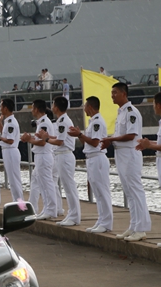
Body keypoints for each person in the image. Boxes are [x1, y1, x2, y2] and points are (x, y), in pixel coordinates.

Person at [101, 82, 150, 241]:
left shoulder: (131, 112)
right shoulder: (121, 112)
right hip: (121, 154)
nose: (112, 95)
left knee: (135, 190)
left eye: (115, 92)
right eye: (112, 92)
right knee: (128, 191)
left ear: (124, 93)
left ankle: (141, 228)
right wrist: (112, 140)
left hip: (130, 153)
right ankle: (134, 225)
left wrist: (110, 138)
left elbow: (131, 135)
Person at [68, 96, 112, 234]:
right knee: (97, 192)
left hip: (98, 158)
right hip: (91, 158)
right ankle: (101, 220)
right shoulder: (92, 122)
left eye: (85, 106)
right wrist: (80, 135)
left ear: (90, 107)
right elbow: (87, 143)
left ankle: (106, 222)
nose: (84, 108)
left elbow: (94, 142)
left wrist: (79, 133)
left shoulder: (97, 122)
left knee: (102, 191)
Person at [39, 97, 81, 226]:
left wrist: (46, 140)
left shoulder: (63, 121)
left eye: (53, 104)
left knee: (69, 187)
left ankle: (75, 216)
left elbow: (60, 142)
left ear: (56, 107)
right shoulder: (61, 120)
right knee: (67, 187)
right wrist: (47, 136)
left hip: (65, 155)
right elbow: (58, 137)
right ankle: (72, 214)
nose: (51, 106)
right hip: (61, 156)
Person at [136, 92, 161, 247]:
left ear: (159, 105)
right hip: (160, 160)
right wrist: (149, 143)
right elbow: (160, 142)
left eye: (154, 104)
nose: (153, 107)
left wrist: (150, 145)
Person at [22, 100, 57, 220]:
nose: (32, 110)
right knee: (42, 184)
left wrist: (29, 140)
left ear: (36, 109)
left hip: (44, 155)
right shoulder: (41, 122)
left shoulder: (44, 123)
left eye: (32, 108)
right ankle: (47, 208)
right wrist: (31, 138)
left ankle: (51, 209)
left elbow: (42, 142)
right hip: (41, 156)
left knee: (47, 183)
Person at [0, 98, 23, 202]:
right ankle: (17, 203)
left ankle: (20, 205)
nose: (0, 108)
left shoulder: (10, 122)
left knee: (15, 180)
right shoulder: (7, 121)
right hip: (7, 151)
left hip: (10, 151)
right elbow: (5, 134)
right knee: (12, 180)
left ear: (5, 108)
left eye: (1, 106)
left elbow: (10, 140)